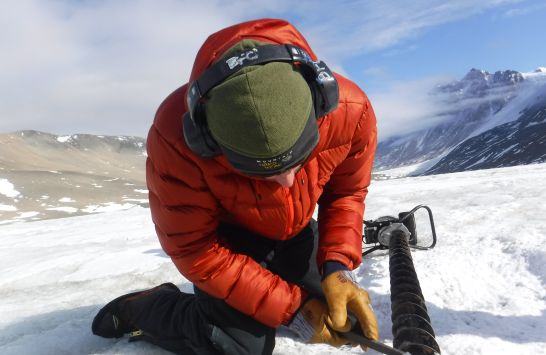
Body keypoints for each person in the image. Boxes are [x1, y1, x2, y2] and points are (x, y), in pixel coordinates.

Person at [92, 18, 379, 354]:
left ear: (321, 103)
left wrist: (336, 267)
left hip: (295, 232)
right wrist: (291, 307)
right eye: (260, 174)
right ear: (206, 142)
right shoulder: (174, 140)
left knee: (341, 312)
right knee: (235, 347)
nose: (285, 184)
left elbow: (345, 193)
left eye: (298, 162)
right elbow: (194, 249)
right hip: (226, 245)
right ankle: (146, 307)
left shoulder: (351, 112)